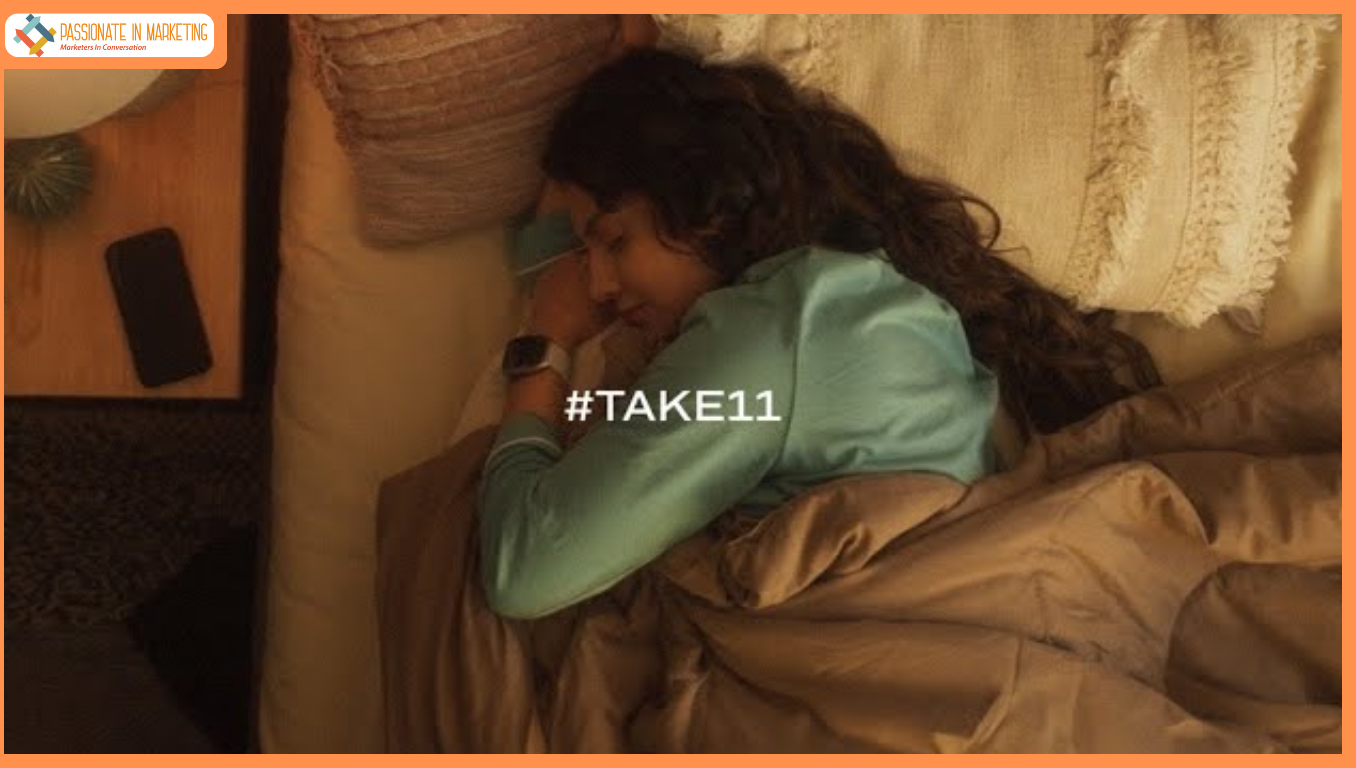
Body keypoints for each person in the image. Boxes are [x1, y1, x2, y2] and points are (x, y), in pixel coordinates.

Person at [478, 47, 1160, 620]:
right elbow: (538, 252)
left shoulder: (763, 343)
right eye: (587, 252)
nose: (597, 283)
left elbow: (524, 571)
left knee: (463, 522)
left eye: (614, 242)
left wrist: (545, 348)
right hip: (959, 619)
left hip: (901, 644)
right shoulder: (848, 290)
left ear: (704, 201)